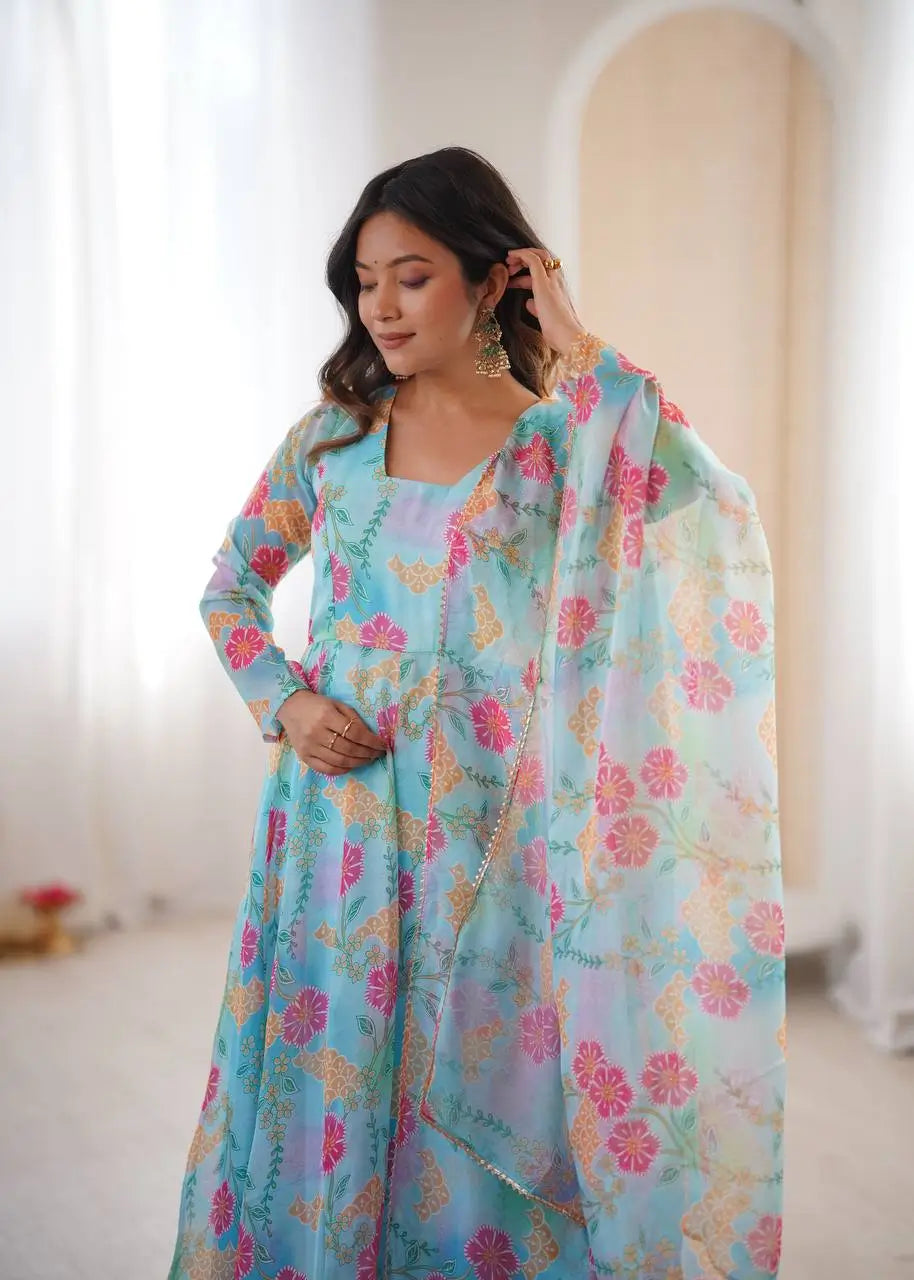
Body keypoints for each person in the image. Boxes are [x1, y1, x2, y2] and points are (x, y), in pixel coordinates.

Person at [168, 146, 786, 1280]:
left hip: (492, 834)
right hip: (337, 830)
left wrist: (578, 340)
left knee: (486, 1078)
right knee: (334, 1065)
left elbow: (704, 500)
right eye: (365, 282)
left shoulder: (562, 444)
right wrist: (287, 702)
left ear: (492, 278)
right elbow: (230, 588)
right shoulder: (332, 439)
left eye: (411, 276)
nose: (381, 306)